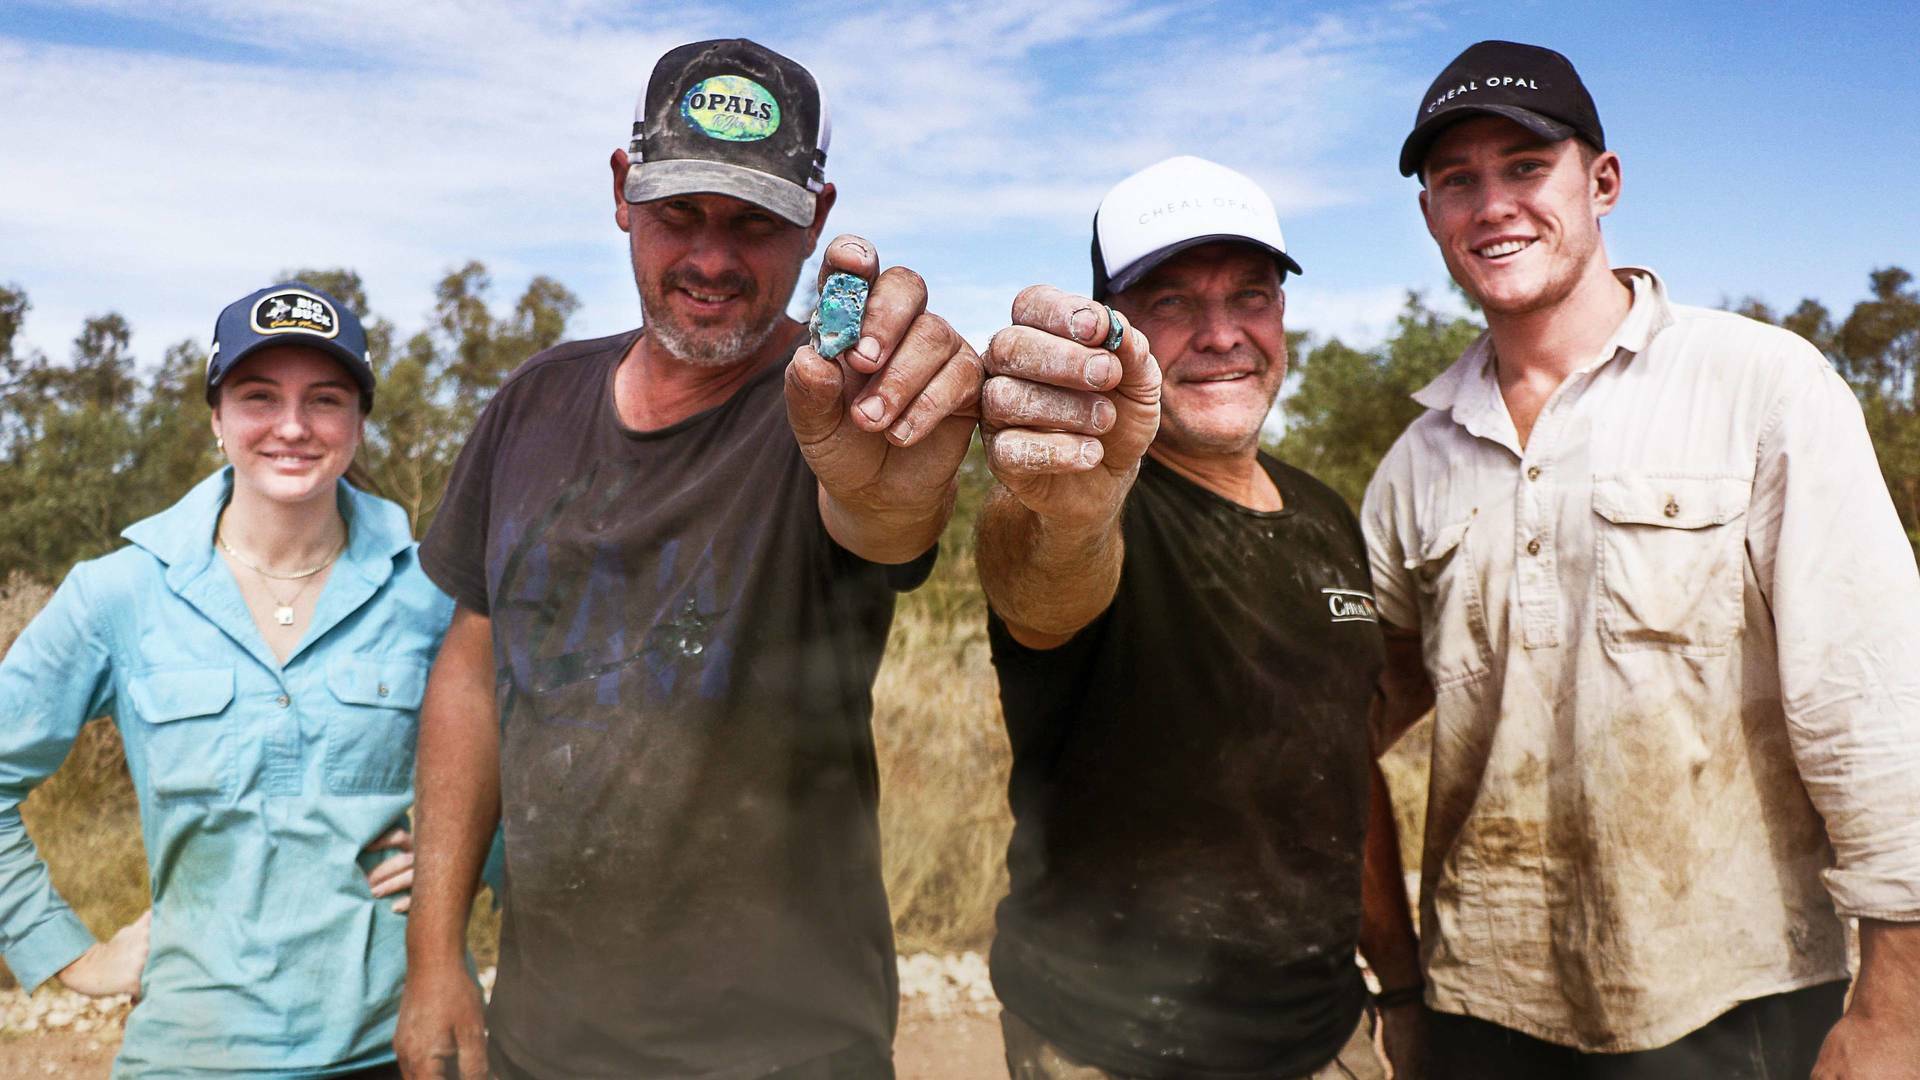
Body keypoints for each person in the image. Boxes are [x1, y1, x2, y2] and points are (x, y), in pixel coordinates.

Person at [394, 38, 981, 1080]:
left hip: (790, 1053)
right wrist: (434, 954)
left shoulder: (836, 411)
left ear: (816, 218)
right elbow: (472, 668)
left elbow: (883, 520)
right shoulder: (532, 403)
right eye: (680, 213)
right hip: (542, 1040)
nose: (712, 259)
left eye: (755, 222)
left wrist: (894, 479)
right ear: (623, 192)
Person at [1363, 39, 1920, 1079]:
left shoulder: (1762, 388)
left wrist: (1899, 1005)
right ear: (1431, 215)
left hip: (1725, 1000)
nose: (1493, 205)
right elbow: (1358, 707)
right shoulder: (1414, 466)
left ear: (1603, 181)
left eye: (1526, 166)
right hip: (1482, 1001)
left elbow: (1873, 703)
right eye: (1457, 181)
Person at [972, 155, 1422, 1080]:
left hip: (1327, 1039)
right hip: (1109, 1049)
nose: (1222, 335)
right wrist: (1064, 511)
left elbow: (1345, 763)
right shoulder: (1089, 505)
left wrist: (1403, 984)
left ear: (1282, 312)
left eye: (1250, 294)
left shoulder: (1324, 514)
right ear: (1112, 328)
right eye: (1172, 302)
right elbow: (1040, 578)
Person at [0, 282, 459, 1077]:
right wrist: (70, 954)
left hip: (399, 1044)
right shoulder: (117, 594)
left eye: (326, 399)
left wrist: (467, 856)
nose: (293, 426)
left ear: (358, 422)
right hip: (189, 1051)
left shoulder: (434, 592)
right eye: (258, 397)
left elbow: (536, 755)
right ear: (217, 419)